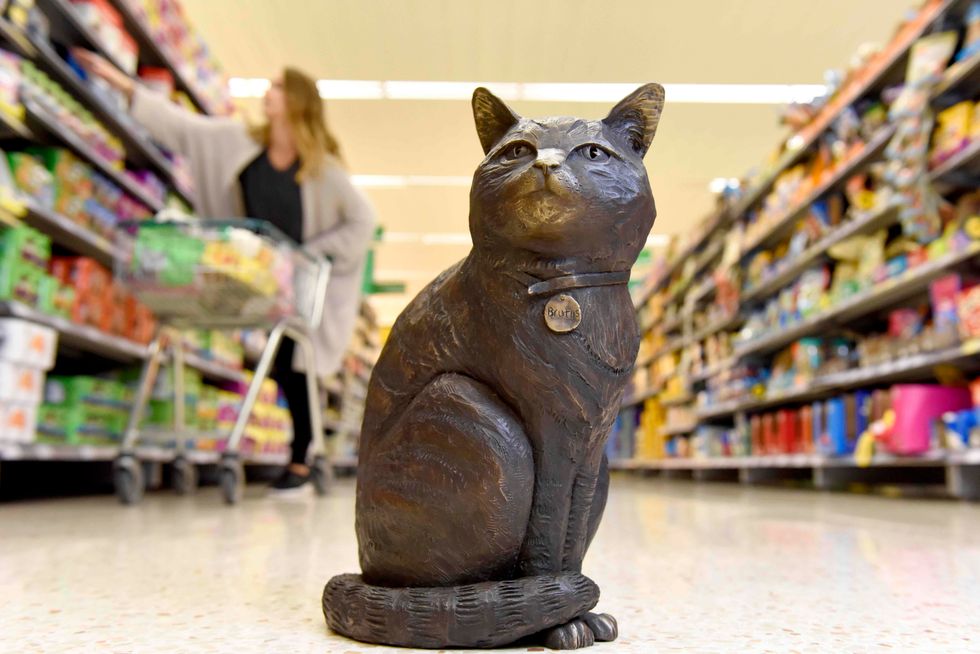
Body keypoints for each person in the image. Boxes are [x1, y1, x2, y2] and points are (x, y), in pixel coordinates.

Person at [78, 53, 376, 492]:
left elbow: (362, 221)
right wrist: (125, 87)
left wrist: (313, 252)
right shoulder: (238, 141)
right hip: (247, 275)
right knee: (280, 364)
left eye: (277, 86)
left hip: (296, 284)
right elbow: (182, 128)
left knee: (294, 365)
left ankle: (302, 456)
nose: (267, 93)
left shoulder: (323, 170)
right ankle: (302, 453)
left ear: (296, 101)